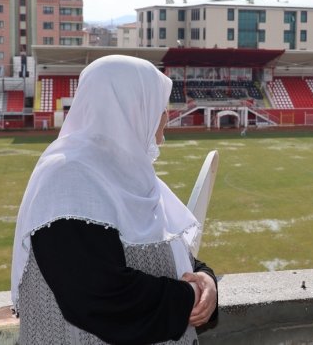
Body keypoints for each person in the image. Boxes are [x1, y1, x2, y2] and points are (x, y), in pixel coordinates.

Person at [12, 55, 218, 344]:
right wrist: (189, 297)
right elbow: (98, 295)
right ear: (129, 108)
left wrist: (206, 280)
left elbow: (169, 252)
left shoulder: (130, 178)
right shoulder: (68, 180)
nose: (166, 117)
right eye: (160, 106)